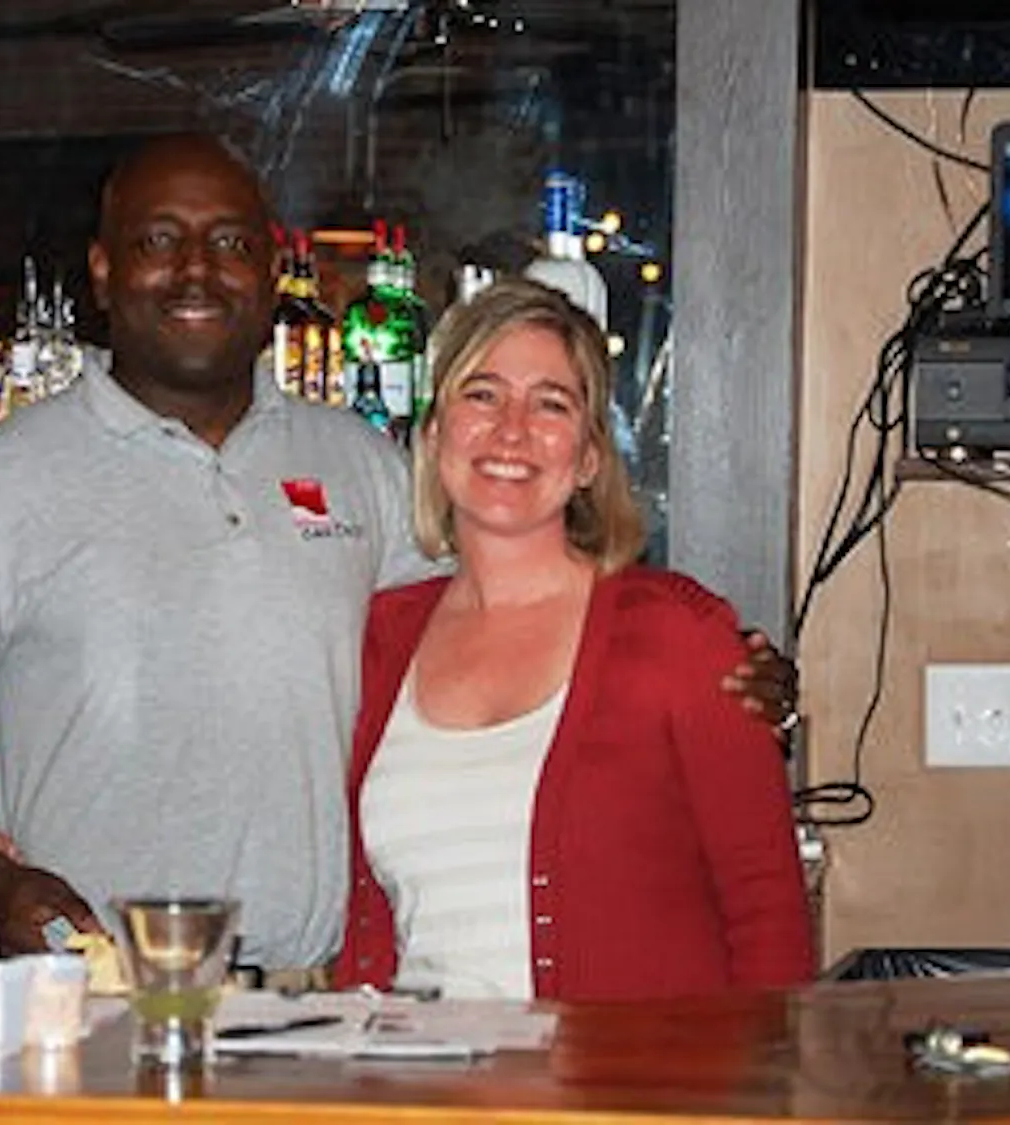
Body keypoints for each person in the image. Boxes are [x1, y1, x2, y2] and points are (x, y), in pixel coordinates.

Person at [0, 133, 797, 974]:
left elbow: (511, 612)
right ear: (101, 273)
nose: (196, 269)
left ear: (270, 272)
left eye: (230, 243)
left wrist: (727, 673)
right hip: (102, 1000)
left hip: (322, 1009)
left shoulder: (357, 463)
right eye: (158, 241)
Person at [333, 278, 814, 1002]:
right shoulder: (379, 638)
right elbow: (367, 927)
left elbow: (766, 907)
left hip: (638, 1101)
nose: (512, 429)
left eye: (552, 403)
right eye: (482, 394)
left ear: (590, 457)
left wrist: (755, 1100)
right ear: (433, 435)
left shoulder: (680, 636)